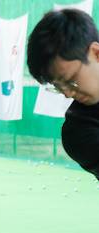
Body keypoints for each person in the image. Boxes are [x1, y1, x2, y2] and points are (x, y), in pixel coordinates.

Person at [27, 9, 99, 180]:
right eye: (57, 86)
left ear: (96, 53)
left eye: (71, 80)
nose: (67, 93)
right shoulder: (79, 131)